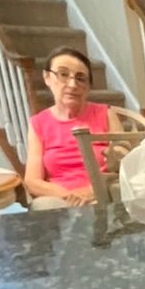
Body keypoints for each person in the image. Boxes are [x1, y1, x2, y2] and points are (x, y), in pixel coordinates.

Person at [23, 45, 116, 205]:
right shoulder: (38, 123)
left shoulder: (106, 114)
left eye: (80, 78)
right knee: (47, 207)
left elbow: (123, 165)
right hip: (59, 199)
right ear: (47, 78)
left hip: (102, 194)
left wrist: (92, 191)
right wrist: (68, 195)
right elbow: (32, 181)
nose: (73, 84)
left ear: (88, 86)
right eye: (63, 74)